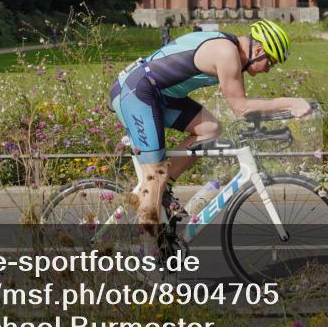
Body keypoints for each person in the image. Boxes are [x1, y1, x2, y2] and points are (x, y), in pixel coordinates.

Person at [109, 19, 310, 234]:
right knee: (154, 176)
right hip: (136, 93)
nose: (268, 70)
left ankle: (163, 190)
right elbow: (241, 108)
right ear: (258, 49)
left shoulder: (231, 50)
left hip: (159, 95)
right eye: (270, 62)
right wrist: (291, 102)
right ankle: (149, 254)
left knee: (210, 129)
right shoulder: (227, 53)